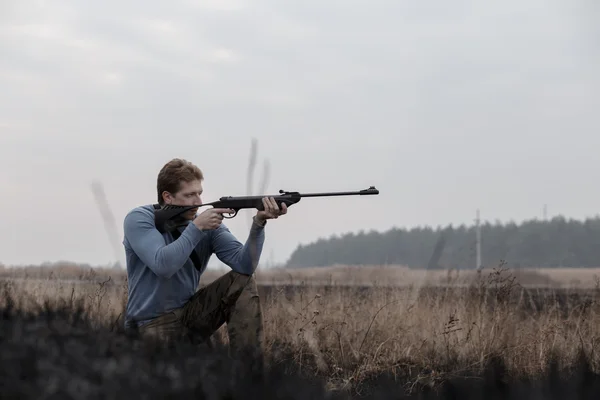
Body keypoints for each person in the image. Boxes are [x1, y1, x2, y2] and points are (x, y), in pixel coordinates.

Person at [122, 158, 287, 358]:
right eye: (190, 195)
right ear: (168, 197)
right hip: (148, 326)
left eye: (199, 193)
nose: (199, 202)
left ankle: (248, 375)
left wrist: (259, 223)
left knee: (242, 281)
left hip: (189, 316)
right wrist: (197, 228)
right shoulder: (140, 219)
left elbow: (245, 266)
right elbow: (163, 265)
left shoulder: (207, 224)